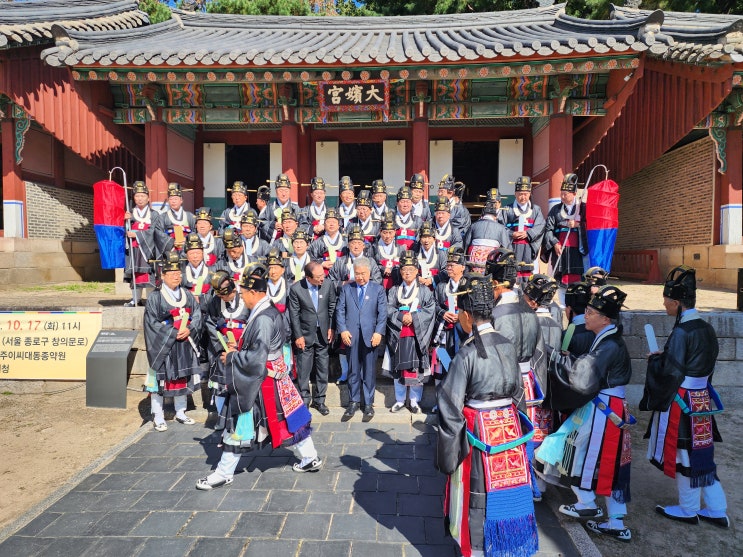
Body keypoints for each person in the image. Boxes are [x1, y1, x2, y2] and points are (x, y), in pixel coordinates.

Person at [436, 273, 537, 557]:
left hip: (480, 433)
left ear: (467, 315)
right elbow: (519, 393)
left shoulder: (466, 353)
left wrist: (448, 456)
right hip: (510, 430)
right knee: (507, 490)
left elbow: (449, 406)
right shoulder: (506, 344)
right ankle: (507, 544)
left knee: (477, 493)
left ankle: (477, 549)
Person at [196, 264, 321, 490]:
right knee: (292, 417)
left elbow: (257, 356)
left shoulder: (263, 318)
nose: (242, 298)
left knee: (239, 424)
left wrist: (233, 356)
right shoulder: (268, 310)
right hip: (276, 378)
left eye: (243, 293)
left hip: (263, 381)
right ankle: (310, 457)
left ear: (254, 292)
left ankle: (224, 472)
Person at [536, 285, 633, 543]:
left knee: (572, 447)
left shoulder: (608, 345)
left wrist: (552, 354)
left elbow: (581, 375)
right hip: (611, 408)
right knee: (608, 461)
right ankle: (616, 521)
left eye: (590, 312)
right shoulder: (608, 339)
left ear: (605, 319)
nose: (586, 316)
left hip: (604, 409)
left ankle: (587, 501)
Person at [643, 265, 729, 528]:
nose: (665, 307)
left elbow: (671, 373)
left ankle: (688, 508)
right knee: (701, 453)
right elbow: (700, 364)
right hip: (701, 398)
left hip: (681, 401)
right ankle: (717, 509)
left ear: (678, 302)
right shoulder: (706, 328)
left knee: (684, 455)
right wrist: (667, 358)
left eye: (667, 302)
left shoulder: (681, 331)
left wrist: (657, 362)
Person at [143, 250, 202, 431]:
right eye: (172, 274)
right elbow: (151, 323)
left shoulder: (187, 294)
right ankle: (158, 415)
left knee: (182, 378)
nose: (177, 277)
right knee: (160, 382)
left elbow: (197, 315)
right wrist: (172, 331)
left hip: (184, 343)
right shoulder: (155, 297)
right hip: (165, 345)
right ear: (163, 275)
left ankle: (181, 412)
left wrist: (189, 329)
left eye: (179, 273)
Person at [335, 256, 387, 422]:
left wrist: (378, 332)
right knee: (353, 370)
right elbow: (340, 311)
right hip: (351, 336)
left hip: (370, 336)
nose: (360, 277)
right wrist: (342, 330)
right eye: (357, 274)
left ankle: (368, 404)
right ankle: (353, 401)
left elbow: (382, 313)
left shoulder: (377, 289)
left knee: (369, 371)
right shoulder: (346, 289)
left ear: (369, 272)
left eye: (363, 274)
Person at [385, 251, 437, 413]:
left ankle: (414, 401)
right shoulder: (394, 290)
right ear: (400, 271)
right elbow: (388, 307)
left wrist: (413, 317)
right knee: (399, 367)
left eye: (411, 269)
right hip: (399, 333)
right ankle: (400, 399)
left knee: (416, 368)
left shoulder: (424, 291)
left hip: (417, 334)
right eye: (404, 269)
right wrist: (401, 316)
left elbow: (430, 309)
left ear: (417, 272)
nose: (407, 272)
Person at [289, 261, 337, 415]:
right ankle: (304, 398)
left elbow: (332, 306)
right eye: (318, 277)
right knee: (304, 368)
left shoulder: (328, 284)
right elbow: (294, 314)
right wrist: (298, 335)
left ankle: (320, 400)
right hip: (305, 334)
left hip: (323, 332)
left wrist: (331, 326)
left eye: (322, 275)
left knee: (323, 367)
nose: (322, 279)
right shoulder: (296, 289)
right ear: (308, 278)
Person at [203, 270, 250, 419]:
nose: (221, 297)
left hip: (243, 346)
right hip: (222, 346)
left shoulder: (246, 299)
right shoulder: (215, 301)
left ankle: (242, 415)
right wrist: (223, 341)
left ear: (234, 289)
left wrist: (240, 343)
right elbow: (210, 323)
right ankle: (221, 418)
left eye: (224, 294)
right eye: (219, 295)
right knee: (221, 384)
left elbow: (254, 323)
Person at [542, 174, 588, 286]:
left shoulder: (582, 208)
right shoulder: (555, 209)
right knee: (560, 279)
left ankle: (573, 301)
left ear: (574, 194)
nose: (562, 196)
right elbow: (548, 229)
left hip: (577, 249)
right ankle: (562, 303)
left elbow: (590, 225)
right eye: (561, 193)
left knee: (576, 278)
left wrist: (578, 225)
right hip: (560, 248)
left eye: (565, 194)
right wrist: (555, 243)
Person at [502, 176, 546, 285]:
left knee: (528, 274)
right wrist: (512, 233)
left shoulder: (536, 209)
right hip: (512, 246)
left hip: (529, 246)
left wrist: (528, 233)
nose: (523, 197)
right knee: (512, 272)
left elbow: (540, 226)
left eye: (525, 194)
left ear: (530, 194)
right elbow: (501, 227)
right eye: (520, 194)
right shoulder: (507, 209)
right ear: (515, 194)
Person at [123, 180, 158, 307]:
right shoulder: (129, 214)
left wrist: (137, 234)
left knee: (149, 276)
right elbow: (123, 231)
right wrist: (125, 222)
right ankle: (135, 299)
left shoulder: (154, 215)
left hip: (149, 250)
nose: (140, 199)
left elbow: (155, 232)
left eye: (143, 196)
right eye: (137, 196)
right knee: (135, 275)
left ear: (148, 198)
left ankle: (150, 300)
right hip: (134, 249)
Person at [464, 188, 510, 270]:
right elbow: (507, 249)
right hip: (491, 262)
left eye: (495, 202)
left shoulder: (474, 225)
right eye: (491, 202)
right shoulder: (501, 228)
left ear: (500, 203)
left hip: (476, 261)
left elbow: (466, 244)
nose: (494, 205)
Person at [328, 225, 381, 290]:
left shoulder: (370, 261)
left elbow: (377, 280)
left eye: (359, 243)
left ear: (363, 245)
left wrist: (363, 284)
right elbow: (330, 281)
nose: (356, 246)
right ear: (348, 245)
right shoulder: (340, 262)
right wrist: (344, 283)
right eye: (353, 243)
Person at [155, 182, 196, 254]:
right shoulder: (163, 217)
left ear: (181, 200)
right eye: (171, 199)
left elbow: (196, 232)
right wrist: (172, 242)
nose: (173, 201)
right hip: (170, 251)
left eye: (176, 199)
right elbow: (158, 233)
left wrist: (187, 239)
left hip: (187, 251)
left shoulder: (190, 216)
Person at [308, 207, 346, 274]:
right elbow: (310, 257)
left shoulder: (345, 241)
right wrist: (322, 263)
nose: (331, 224)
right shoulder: (318, 242)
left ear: (338, 225)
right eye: (328, 222)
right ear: (324, 225)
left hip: (342, 274)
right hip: (323, 275)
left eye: (334, 222)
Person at [266, 173, 301, 243]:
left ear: (290, 191)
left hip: (292, 243)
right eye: (281, 191)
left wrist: (292, 227)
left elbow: (302, 224)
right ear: (276, 191)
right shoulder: (269, 207)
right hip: (273, 243)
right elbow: (261, 223)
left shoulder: (295, 208)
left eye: (286, 191)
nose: (284, 194)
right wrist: (273, 225)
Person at [373, 213, 403, 290]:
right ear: (380, 232)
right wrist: (383, 269)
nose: (388, 236)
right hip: (378, 283)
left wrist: (393, 270)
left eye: (390, 232)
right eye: (385, 232)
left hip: (396, 284)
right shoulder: (373, 248)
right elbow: (371, 265)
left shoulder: (401, 248)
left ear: (395, 232)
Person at [394, 185, 423, 250]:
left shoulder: (418, 220)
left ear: (411, 203)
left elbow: (419, 240)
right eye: (402, 202)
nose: (405, 205)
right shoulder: (392, 219)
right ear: (397, 203)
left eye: (408, 202)